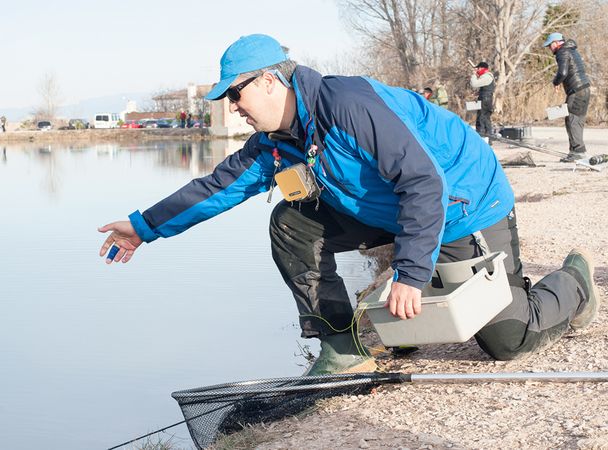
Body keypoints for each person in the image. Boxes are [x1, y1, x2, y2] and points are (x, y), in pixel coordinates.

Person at [98, 34, 599, 376]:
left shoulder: (348, 104)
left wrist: (408, 273)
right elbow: (216, 188)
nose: (232, 107)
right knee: (290, 223)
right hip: (387, 212)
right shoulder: (276, 142)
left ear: (270, 81)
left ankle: (574, 283)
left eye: (236, 93)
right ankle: (342, 347)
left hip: (466, 204)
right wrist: (143, 227)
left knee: (508, 340)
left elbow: (424, 183)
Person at [543, 32, 591, 162]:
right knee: (577, 120)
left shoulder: (562, 52)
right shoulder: (572, 50)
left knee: (571, 120)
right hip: (585, 89)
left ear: (557, 43)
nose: (549, 48)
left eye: (550, 45)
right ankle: (576, 151)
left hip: (576, 91)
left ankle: (578, 152)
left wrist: (556, 82)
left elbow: (563, 72)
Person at [470, 62, 495, 137]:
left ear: (482, 68)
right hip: (486, 98)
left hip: (485, 99)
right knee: (485, 118)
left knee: (482, 118)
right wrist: (479, 93)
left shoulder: (487, 76)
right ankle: (487, 137)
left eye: (478, 68)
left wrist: (474, 74)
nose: (477, 70)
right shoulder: (486, 76)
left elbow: (474, 84)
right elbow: (486, 89)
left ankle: (482, 137)